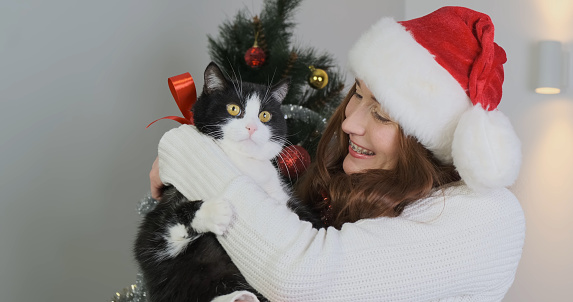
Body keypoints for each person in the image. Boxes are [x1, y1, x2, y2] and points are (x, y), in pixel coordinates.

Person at [149, 6, 525, 302]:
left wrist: (185, 150)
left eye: (380, 113)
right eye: (357, 94)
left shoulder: (488, 216)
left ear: (427, 141)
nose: (350, 123)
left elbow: (299, 276)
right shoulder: (351, 182)